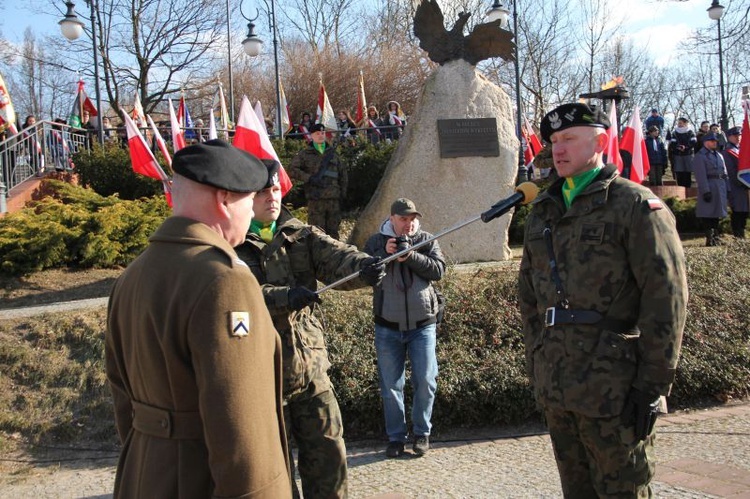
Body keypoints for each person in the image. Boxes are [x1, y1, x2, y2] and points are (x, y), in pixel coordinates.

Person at [105, 140, 292, 499]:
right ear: (223, 201)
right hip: (200, 480)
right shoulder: (224, 280)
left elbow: (121, 398)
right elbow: (241, 425)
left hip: (143, 472)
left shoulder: (131, 276)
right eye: (246, 202)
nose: (251, 215)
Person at [519, 102, 688, 498]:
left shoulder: (634, 205)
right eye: (554, 141)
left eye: (569, 139)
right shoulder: (543, 209)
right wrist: (537, 361)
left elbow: (666, 298)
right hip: (559, 385)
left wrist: (652, 385)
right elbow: (529, 296)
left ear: (601, 141)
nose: (557, 149)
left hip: (616, 386)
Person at [236, 164, 385, 499]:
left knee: (329, 462)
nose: (271, 198)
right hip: (262, 378)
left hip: (311, 371)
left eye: (275, 190)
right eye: (262, 192)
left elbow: (336, 257)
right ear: (245, 196)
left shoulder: (299, 234)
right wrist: (283, 297)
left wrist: (364, 267)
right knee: (273, 474)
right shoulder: (232, 244)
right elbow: (236, 298)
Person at [363, 198, 445, 459]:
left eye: (412, 219)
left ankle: (422, 433)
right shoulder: (376, 242)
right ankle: (396, 438)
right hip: (387, 327)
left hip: (423, 325)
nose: (408, 224)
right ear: (392, 219)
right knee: (390, 386)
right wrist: (384, 256)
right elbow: (365, 274)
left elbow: (438, 271)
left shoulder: (427, 239)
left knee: (426, 380)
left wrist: (410, 256)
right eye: (403, 219)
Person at [288, 123, 348, 239]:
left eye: (323, 133)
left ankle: (334, 256)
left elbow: (343, 174)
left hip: (333, 199)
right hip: (316, 200)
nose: (321, 135)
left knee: (334, 232)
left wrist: (343, 194)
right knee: (317, 233)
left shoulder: (333, 154)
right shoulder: (305, 154)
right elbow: (292, 169)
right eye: (317, 133)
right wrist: (309, 178)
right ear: (311, 136)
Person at [694, 132, 729, 246]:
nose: (715, 143)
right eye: (712, 141)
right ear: (706, 142)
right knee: (708, 213)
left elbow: (725, 173)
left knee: (717, 213)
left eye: (715, 141)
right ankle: (710, 238)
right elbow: (700, 175)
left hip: (720, 186)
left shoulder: (719, 155)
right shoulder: (700, 156)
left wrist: (727, 187)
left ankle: (716, 237)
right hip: (709, 185)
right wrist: (705, 191)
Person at [723, 126, 747, 238]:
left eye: (739, 135)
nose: (738, 137)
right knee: (738, 210)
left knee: (744, 211)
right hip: (735, 185)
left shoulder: (741, 149)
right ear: (729, 137)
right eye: (735, 136)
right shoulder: (727, 152)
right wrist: (742, 183)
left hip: (744, 186)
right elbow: (730, 171)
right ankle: (738, 234)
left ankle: (742, 232)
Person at [669, 117, 697, 188]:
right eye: (678, 123)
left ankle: (688, 188)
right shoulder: (675, 132)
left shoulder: (690, 132)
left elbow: (693, 142)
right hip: (678, 155)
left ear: (685, 123)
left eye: (680, 123)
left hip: (688, 155)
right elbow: (672, 143)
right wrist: (678, 147)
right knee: (679, 173)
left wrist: (686, 147)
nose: (679, 124)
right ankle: (680, 188)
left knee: (687, 173)